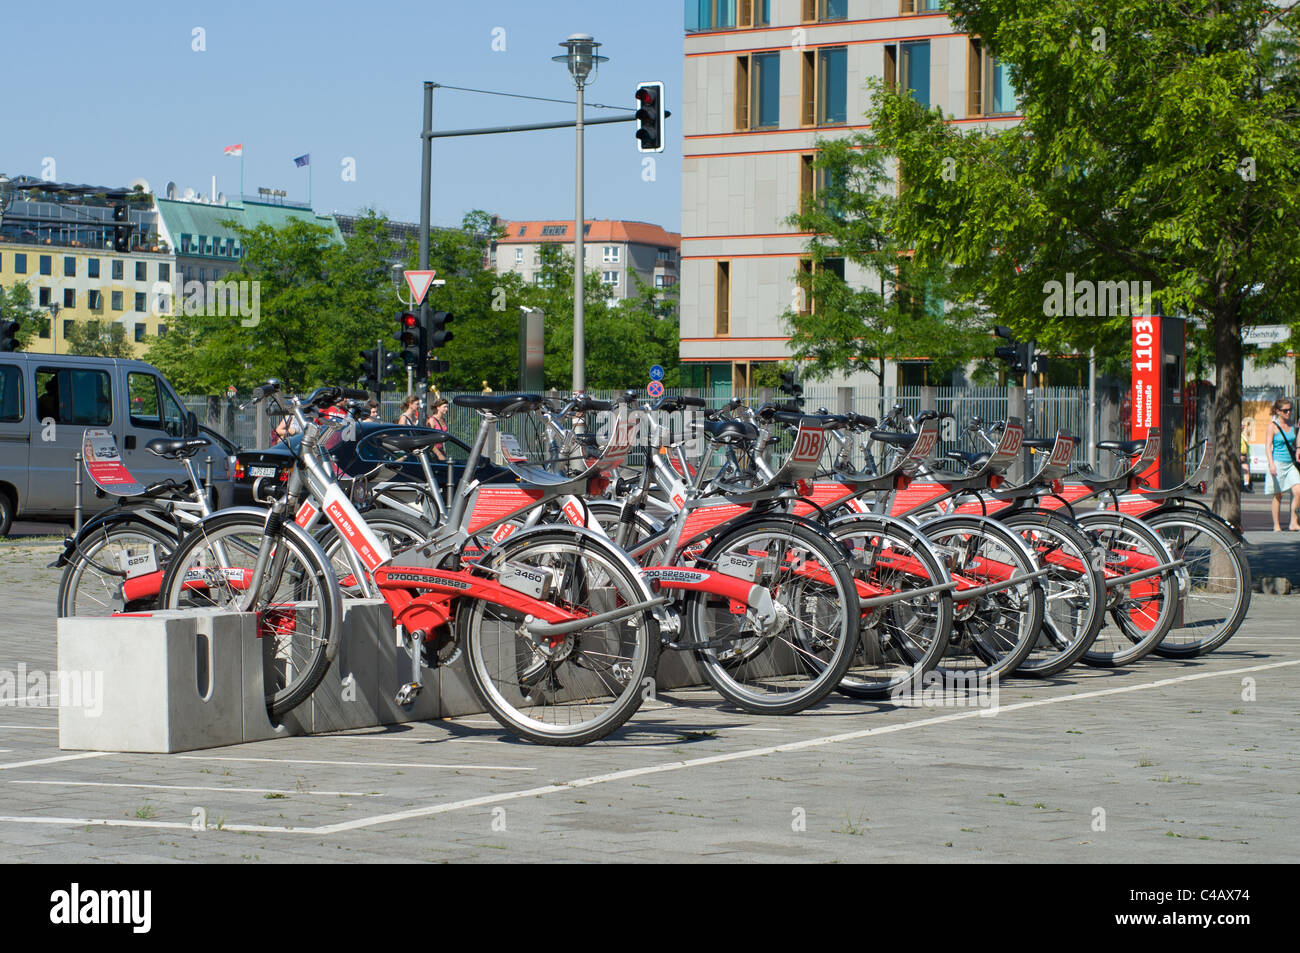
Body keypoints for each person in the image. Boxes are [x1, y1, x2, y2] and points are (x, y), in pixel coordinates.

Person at [1266, 396, 1300, 532]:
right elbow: (1268, 446)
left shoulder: (1291, 424)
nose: (1288, 413)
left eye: (1290, 410)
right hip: (1278, 463)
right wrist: (1271, 464)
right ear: (1278, 411)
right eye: (1285, 410)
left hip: (1290, 464)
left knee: (1298, 492)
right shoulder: (1272, 426)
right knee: (1278, 495)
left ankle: (1293, 520)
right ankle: (1277, 525)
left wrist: (1298, 449)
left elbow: (1296, 438)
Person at [1241, 420, 1253, 492]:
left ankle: (1246, 486)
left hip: (1244, 455)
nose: (1243, 427)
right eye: (1242, 426)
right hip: (1239, 455)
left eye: (1243, 426)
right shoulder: (1237, 436)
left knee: (1246, 470)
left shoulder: (1243, 435)